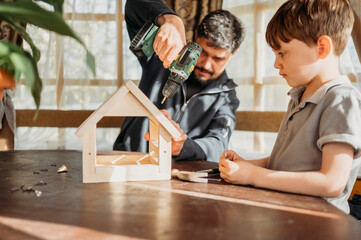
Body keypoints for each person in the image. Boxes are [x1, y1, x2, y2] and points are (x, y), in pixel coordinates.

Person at [219, 0, 360, 214]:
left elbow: (331, 183)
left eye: (282, 53)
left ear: (322, 47)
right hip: (287, 215)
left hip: (320, 224)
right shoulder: (299, 96)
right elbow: (286, 162)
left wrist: (254, 176)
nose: (276, 64)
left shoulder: (341, 99)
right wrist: (248, 165)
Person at [113, 0, 245, 162]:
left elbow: (219, 143)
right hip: (126, 161)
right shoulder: (163, 55)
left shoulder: (227, 97)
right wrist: (171, 21)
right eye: (202, 52)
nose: (206, 64)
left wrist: (182, 146)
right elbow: (134, 4)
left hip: (173, 176)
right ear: (196, 35)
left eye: (218, 58)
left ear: (233, 54)